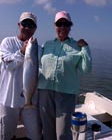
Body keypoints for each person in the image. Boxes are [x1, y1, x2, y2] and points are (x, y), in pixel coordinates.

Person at [37, 11, 92, 140]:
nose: (62, 27)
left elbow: (86, 69)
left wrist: (86, 48)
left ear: (70, 26)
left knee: (63, 133)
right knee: (47, 130)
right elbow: (37, 64)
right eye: (59, 24)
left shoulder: (77, 46)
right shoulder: (47, 44)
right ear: (54, 26)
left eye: (66, 24)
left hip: (66, 94)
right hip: (45, 92)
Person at [0, 12, 41, 140]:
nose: (27, 28)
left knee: (35, 135)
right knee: (5, 135)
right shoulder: (7, 42)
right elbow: (8, 65)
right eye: (25, 24)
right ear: (19, 25)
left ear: (35, 29)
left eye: (31, 25)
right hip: (8, 100)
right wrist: (22, 53)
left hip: (29, 100)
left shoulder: (38, 48)